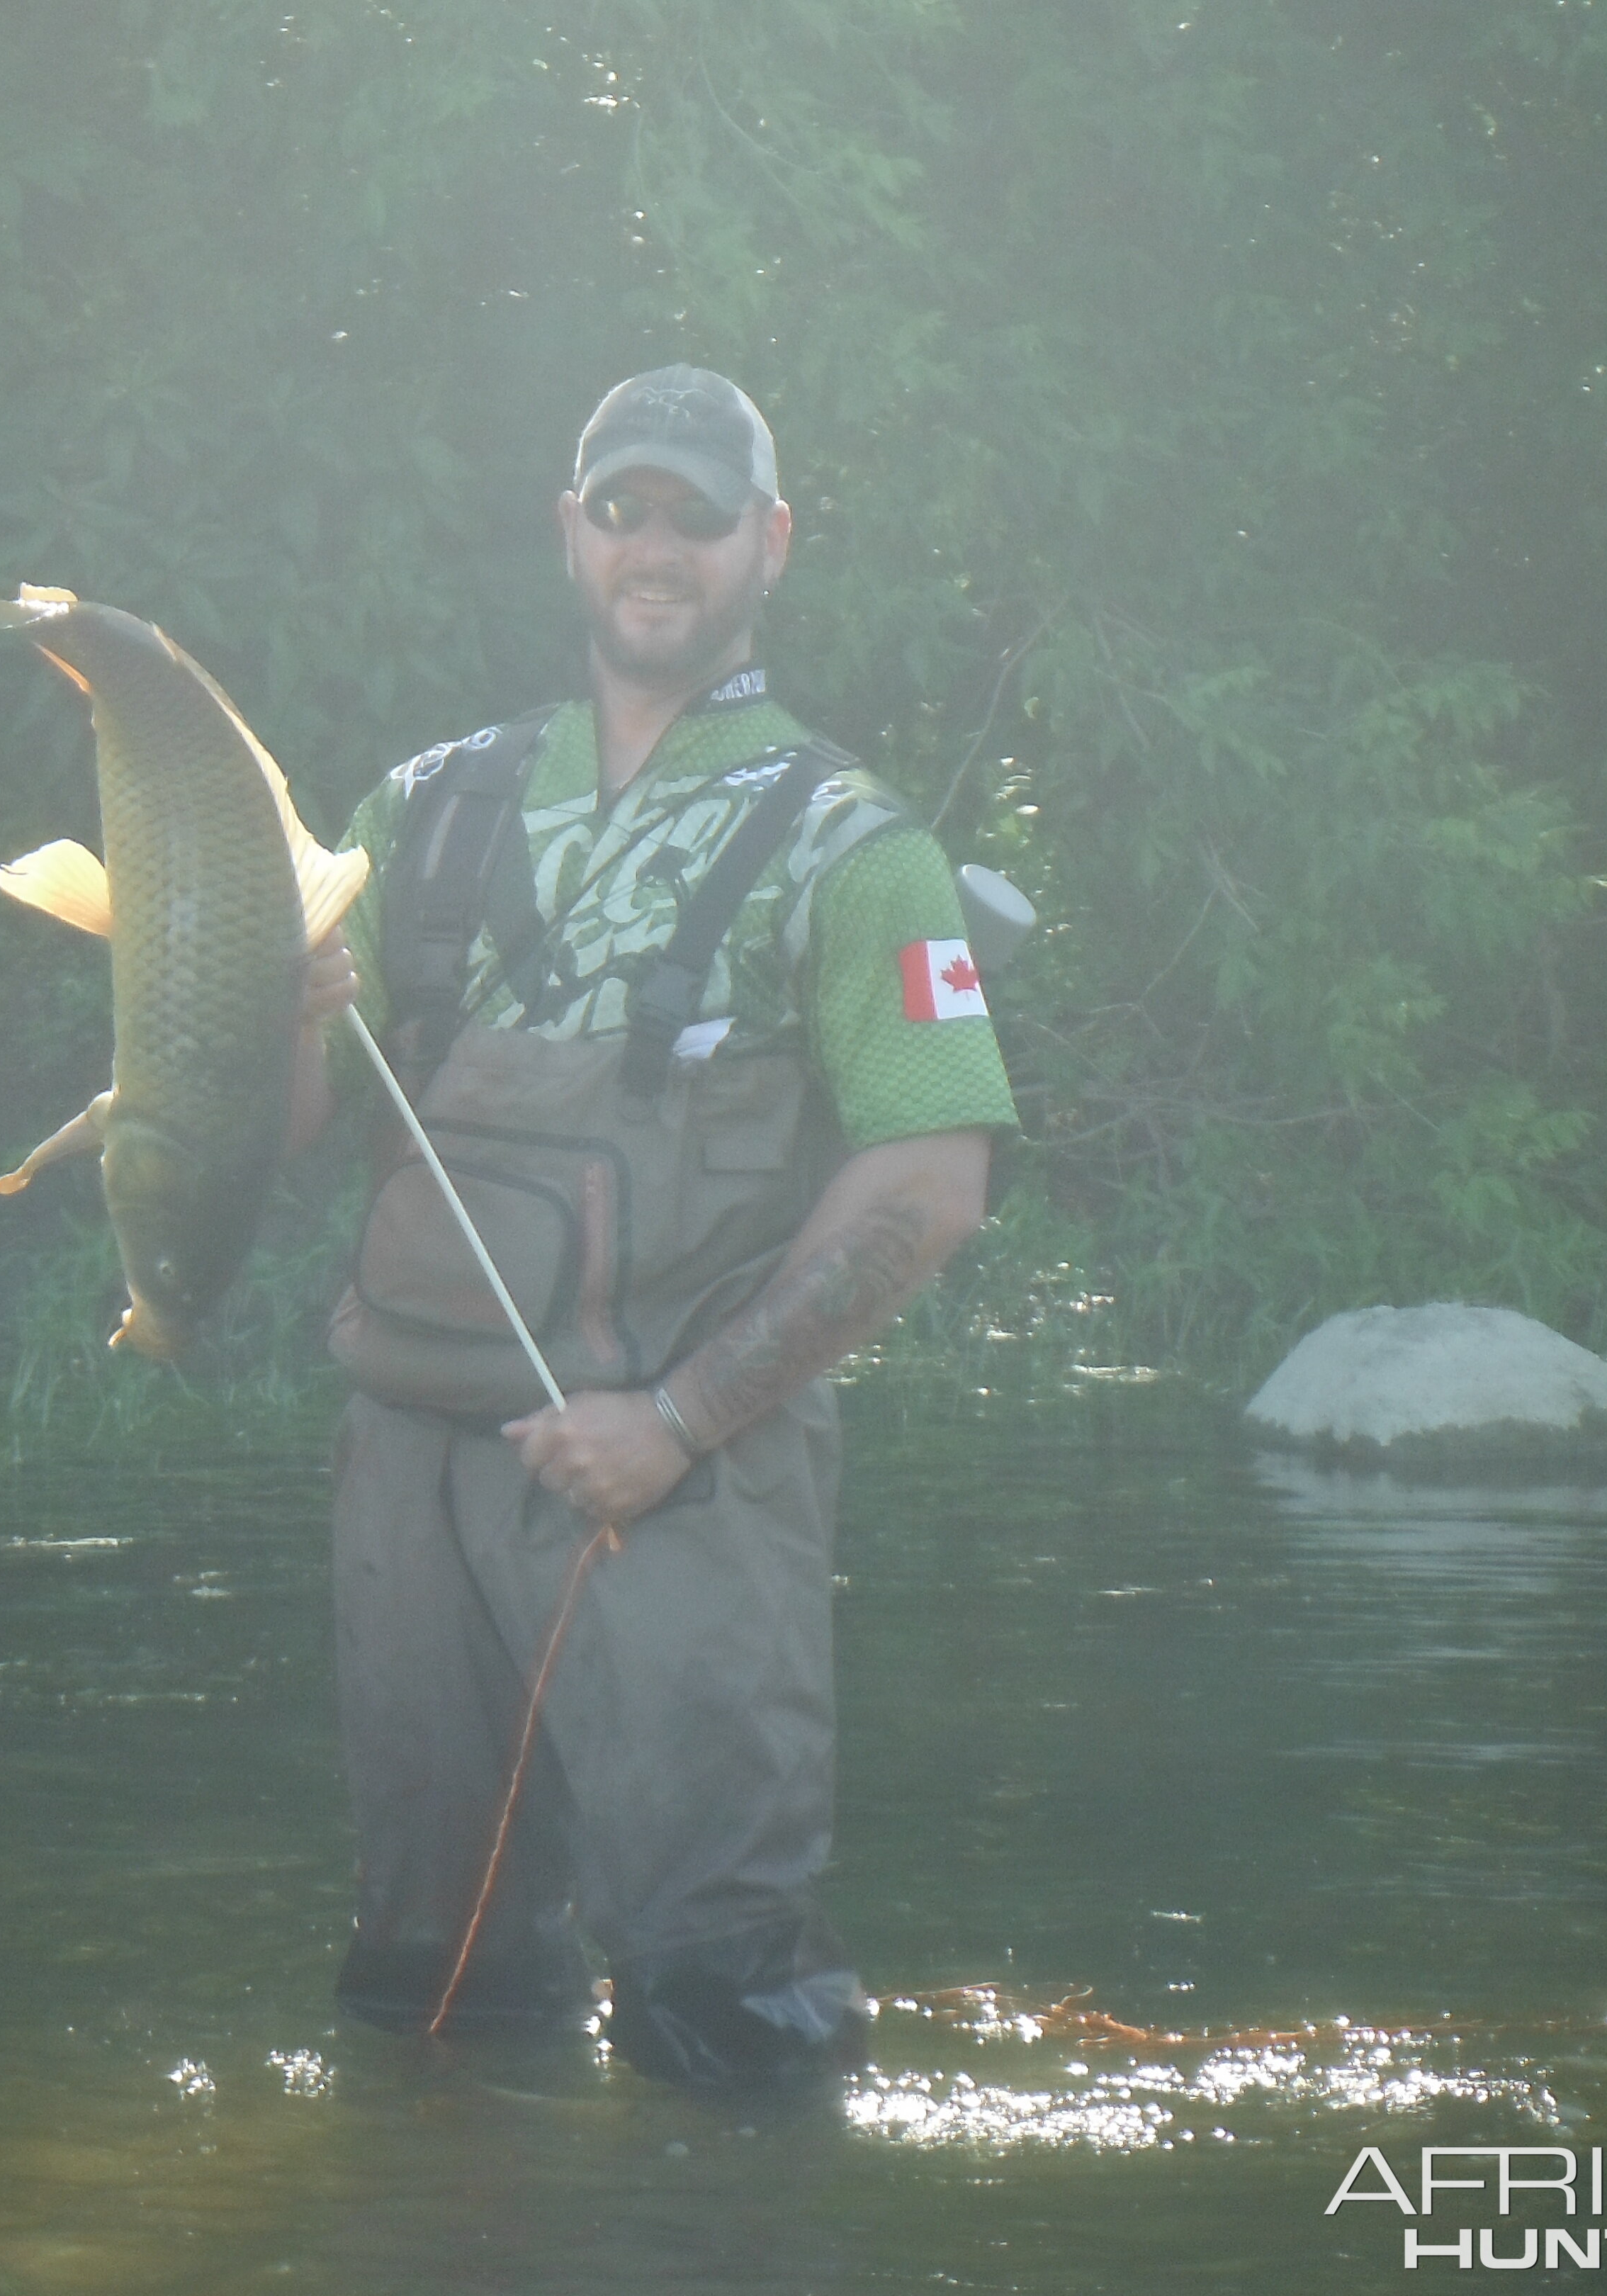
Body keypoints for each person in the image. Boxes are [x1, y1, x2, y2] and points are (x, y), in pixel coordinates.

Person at [284, 366, 1020, 2090]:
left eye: (698, 512)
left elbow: (933, 1178)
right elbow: (297, 1121)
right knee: (434, 1996)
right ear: (572, 530)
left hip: (684, 1476)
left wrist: (674, 1423)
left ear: (768, 543)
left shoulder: (855, 840)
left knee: (723, 2007)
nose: (657, 542)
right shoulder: (425, 805)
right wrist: (271, 1013)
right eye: (625, 506)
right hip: (410, 1470)